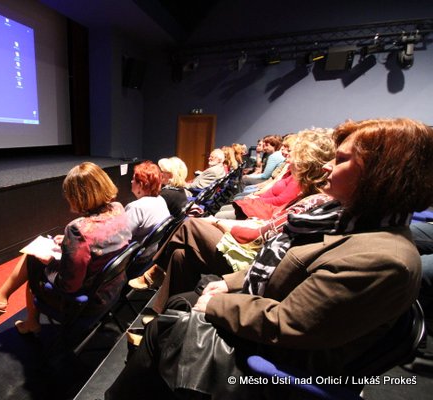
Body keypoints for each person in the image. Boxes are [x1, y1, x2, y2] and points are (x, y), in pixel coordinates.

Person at [106, 117, 433, 399]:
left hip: (280, 362)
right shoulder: (347, 220)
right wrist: (229, 283)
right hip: (268, 308)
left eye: (342, 159)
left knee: (165, 328)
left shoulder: (383, 258)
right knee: (181, 294)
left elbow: (290, 324)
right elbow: (282, 261)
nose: (329, 166)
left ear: (382, 175)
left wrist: (217, 304)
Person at [130, 128, 335, 295]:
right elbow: (267, 223)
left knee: (190, 224)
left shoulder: (312, 201)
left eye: (294, 157)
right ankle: (164, 313)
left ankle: (156, 270)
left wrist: (216, 222)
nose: (288, 160)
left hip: (252, 259)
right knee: (179, 255)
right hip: (255, 245)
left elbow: (257, 235)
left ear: (307, 164)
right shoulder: (306, 195)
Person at [0, 162, 131, 334]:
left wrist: (50, 263)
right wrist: (68, 243)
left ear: (77, 196)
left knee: (34, 267)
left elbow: (69, 285)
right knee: (33, 259)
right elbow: (102, 240)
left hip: (88, 302)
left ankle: (29, 321)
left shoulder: (78, 229)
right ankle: (2, 297)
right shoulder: (117, 208)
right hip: (112, 288)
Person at [126, 161, 171, 244]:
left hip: (139, 251)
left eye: (133, 179)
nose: (131, 182)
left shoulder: (136, 208)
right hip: (156, 248)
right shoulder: (160, 200)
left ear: (140, 185)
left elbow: (122, 238)